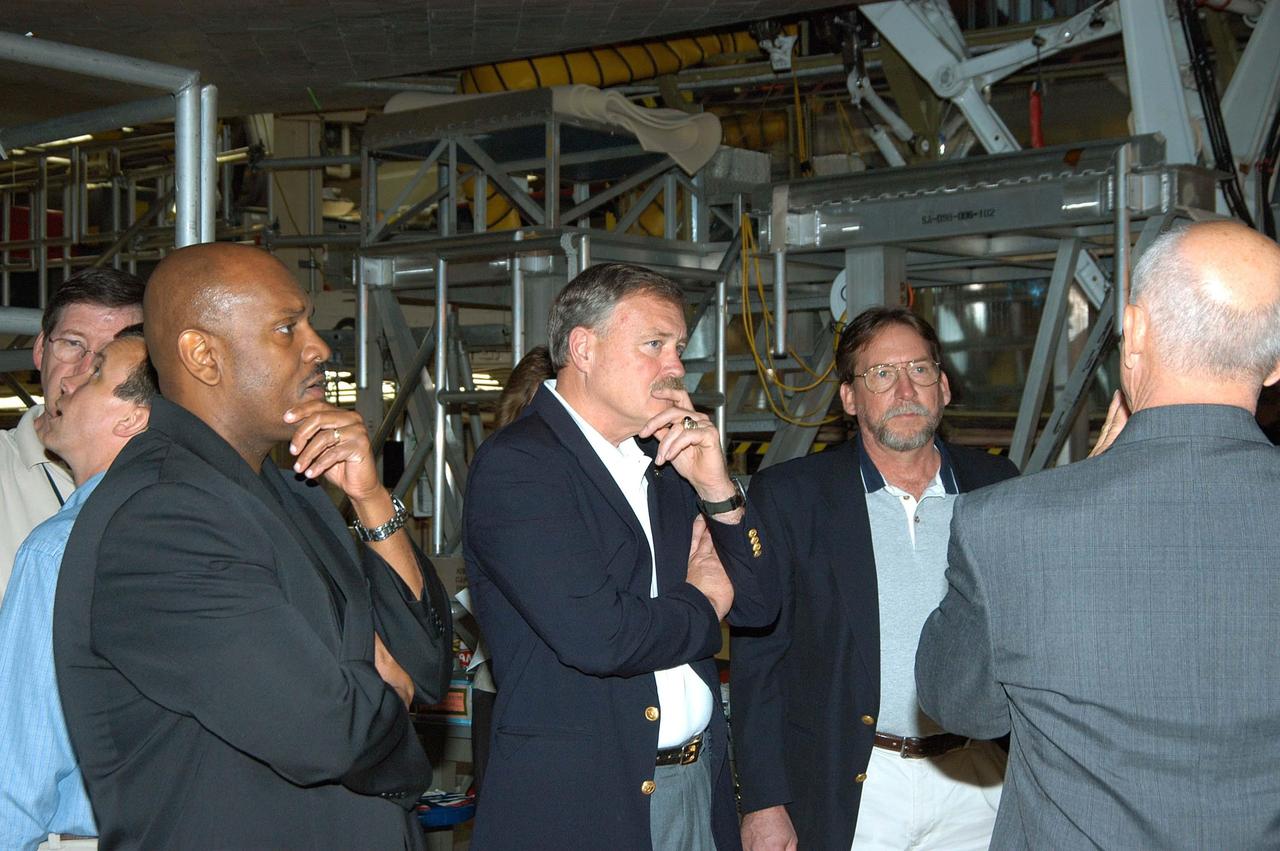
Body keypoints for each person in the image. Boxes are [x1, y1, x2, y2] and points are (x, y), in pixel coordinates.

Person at [53, 243, 452, 850]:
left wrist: (370, 499)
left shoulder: (293, 489)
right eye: (287, 329)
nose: (318, 348)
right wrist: (385, 688)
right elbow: (326, 730)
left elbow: (425, 665)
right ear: (203, 355)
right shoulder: (162, 518)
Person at [915, 220, 1280, 848]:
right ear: (1274, 365)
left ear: (1133, 332)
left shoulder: (1010, 527)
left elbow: (960, 705)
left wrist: (1076, 487)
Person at [463, 262, 778, 850]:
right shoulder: (522, 465)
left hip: (697, 783)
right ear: (583, 348)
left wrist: (716, 487)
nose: (675, 367)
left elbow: (759, 604)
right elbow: (602, 636)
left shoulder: (665, 462)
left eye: (678, 348)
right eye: (654, 345)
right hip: (587, 803)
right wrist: (704, 600)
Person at [732, 307, 1018, 851]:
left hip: (977, 780)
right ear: (849, 398)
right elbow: (760, 658)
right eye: (881, 374)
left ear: (944, 387)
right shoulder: (794, 496)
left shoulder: (996, 485)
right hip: (854, 782)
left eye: (920, 369)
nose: (905, 391)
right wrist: (763, 802)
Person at [0, 326, 153, 851]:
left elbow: (15, 779)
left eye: (97, 371)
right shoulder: (196, 525)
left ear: (133, 417)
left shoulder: (60, 549)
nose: (69, 382)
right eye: (73, 350)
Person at [0, 268, 143, 598]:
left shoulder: (172, 477)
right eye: (73, 343)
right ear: (40, 349)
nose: (81, 371)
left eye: (107, 357)